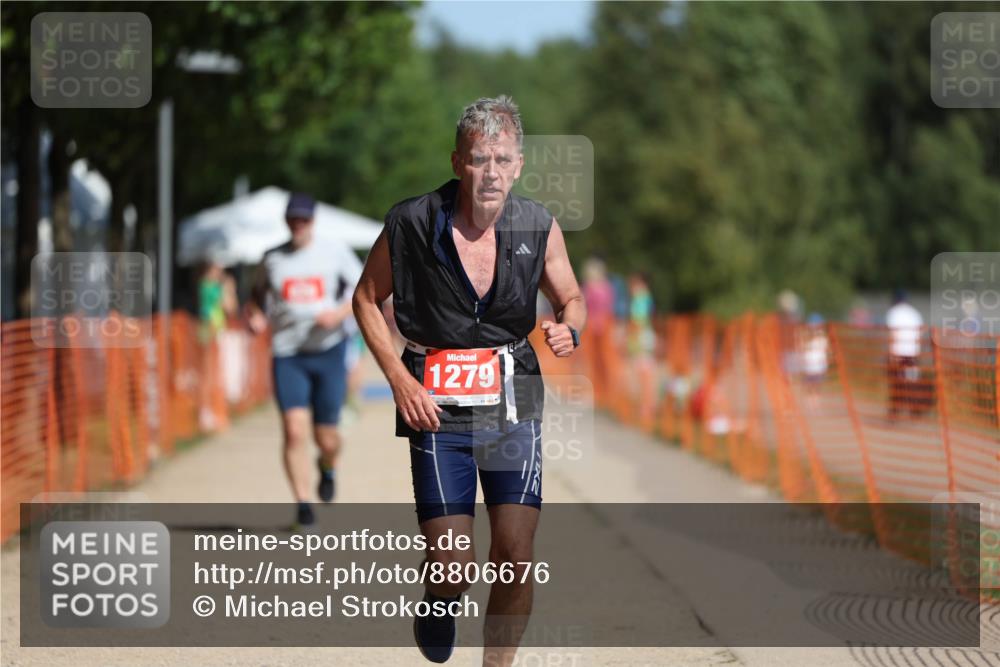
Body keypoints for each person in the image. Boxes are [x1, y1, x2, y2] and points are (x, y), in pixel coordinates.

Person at [353, 95, 585, 666]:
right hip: (436, 401)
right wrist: (399, 381)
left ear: (520, 165)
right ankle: (439, 600)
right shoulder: (410, 222)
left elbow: (572, 297)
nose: (492, 173)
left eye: (503, 160)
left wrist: (569, 329)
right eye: (481, 159)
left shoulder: (538, 224)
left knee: (515, 554)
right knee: (453, 566)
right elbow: (363, 300)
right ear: (458, 161)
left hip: (516, 394)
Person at [246, 192, 362, 528]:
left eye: (304, 219)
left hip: (328, 350)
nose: (298, 225)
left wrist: (338, 314)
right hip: (288, 353)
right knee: (294, 431)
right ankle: (303, 503)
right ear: (286, 221)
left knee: (326, 437)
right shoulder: (271, 259)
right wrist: (255, 318)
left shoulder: (334, 251)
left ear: (313, 221)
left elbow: (362, 291)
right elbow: (255, 299)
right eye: (293, 219)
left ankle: (328, 464)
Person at [885, 288, 924, 419]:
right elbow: (920, 335)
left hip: (898, 353)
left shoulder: (893, 313)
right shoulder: (915, 314)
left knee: (896, 383)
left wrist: (891, 354)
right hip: (913, 354)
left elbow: (893, 334)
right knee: (911, 382)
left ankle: (895, 412)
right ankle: (914, 410)